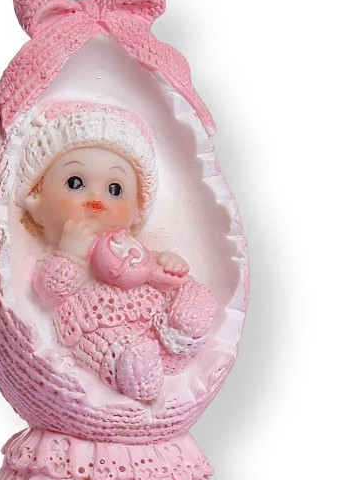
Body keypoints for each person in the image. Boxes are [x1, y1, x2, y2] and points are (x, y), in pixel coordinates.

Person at [17, 101, 217, 402]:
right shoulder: (57, 253)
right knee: (106, 346)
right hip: (93, 322)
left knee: (182, 294)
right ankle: (132, 369)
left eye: (115, 189)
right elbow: (50, 291)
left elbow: (149, 271)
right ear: (37, 203)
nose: (96, 199)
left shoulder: (128, 244)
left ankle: (183, 327)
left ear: (136, 211)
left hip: (143, 305)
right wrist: (70, 253)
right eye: (75, 183)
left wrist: (165, 267)